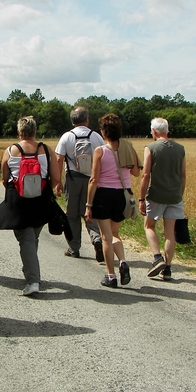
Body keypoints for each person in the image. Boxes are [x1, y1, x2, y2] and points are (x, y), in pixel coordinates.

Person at [0, 116, 62, 296]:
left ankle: (33, 281)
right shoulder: (47, 150)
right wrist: (42, 190)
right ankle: (30, 269)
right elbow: (56, 179)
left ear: (19, 132)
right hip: (41, 200)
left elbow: (4, 178)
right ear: (35, 131)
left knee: (26, 238)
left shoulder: (10, 151)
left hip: (18, 200)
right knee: (32, 236)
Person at [85, 114, 141, 288]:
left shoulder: (100, 151)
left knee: (106, 238)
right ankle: (122, 261)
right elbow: (136, 173)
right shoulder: (128, 147)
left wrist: (88, 205)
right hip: (122, 196)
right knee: (115, 234)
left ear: (104, 131)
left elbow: (94, 179)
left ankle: (111, 276)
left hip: (104, 195)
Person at [138, 117, 186, 281]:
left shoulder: (150, 147)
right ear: (167, 130)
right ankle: (168, 268)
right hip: (175, 196)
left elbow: (145, 175)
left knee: (149, 226)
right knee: (170, 233)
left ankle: (157, 257)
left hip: (157, 194)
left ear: (154, 132)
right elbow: (183, 175)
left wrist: (141, 198)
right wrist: (180, 194)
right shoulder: (180, 149)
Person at [55, 106, 105, 261]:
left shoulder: (66, 137)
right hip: (92, 180)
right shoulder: (96, 137)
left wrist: (58, 182)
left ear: (72, 121)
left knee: (71, 215)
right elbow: (104, 157)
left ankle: (74, 248)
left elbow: (59, 159)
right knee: (91, 213)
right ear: (87, 119)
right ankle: (96, 239)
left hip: (72, 179)